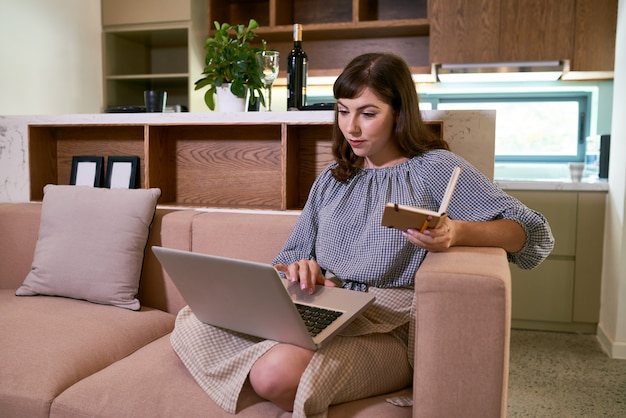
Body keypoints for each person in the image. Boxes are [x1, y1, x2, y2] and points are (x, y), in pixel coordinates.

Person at [170, 52, 554, 417]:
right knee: (196, 316)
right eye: (342, 111)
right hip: (324, 306)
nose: (351, 127)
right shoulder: (334, 180)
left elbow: (531, 232)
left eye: (368, 114)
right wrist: (301, 269)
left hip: (386, 324)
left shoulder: (434, 169)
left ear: (399, 114)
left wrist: (455, 232)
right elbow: (289, 259)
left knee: (275, 375)